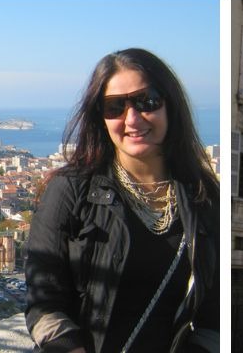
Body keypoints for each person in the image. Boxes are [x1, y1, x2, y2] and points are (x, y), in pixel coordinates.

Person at [26, 49, 220, 353]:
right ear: (100, 118)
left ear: (171, 105)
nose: (132, 119)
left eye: (147, 102)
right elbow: (43, 303)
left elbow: (213, 317)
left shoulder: (204, 198)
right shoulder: (70, 190)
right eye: (114, 107)